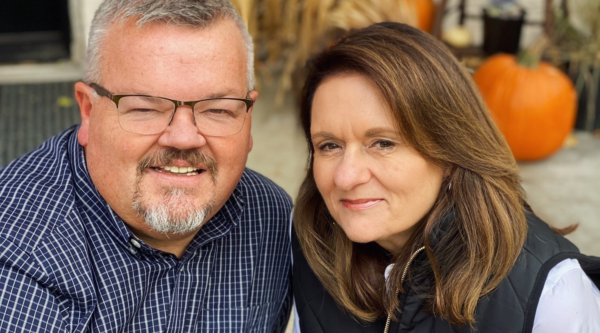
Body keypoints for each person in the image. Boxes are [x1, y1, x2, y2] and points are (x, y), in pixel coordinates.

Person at [0, 0, 292, 331]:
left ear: (247, 117)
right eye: (145, 109)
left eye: (217, 110)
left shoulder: (271, 218)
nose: (184, 138)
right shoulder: (18, 262)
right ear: (87, 110)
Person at [292, 22, 600, 333]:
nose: (346, 177)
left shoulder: (553, 295)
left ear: (451, 152)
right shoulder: (308, 243)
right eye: (329, 145)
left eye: (383, 143)